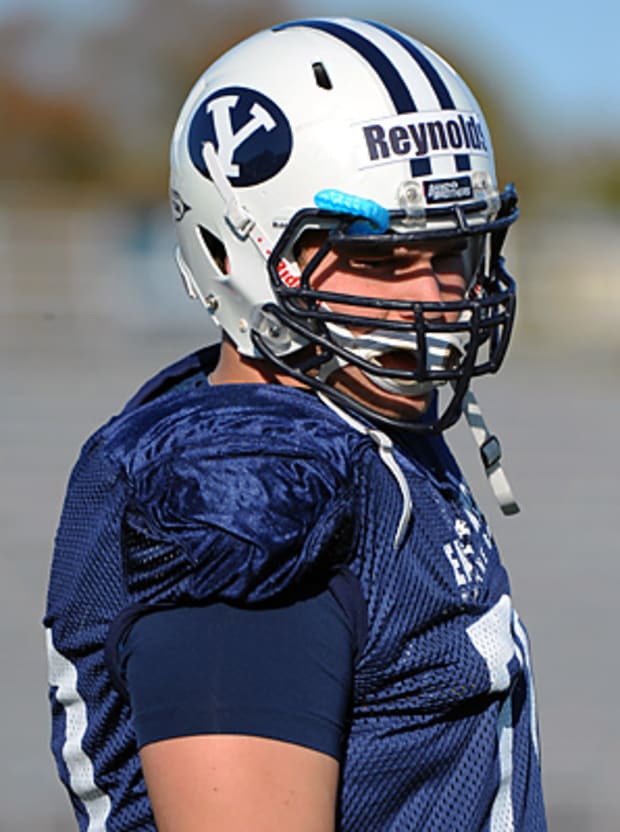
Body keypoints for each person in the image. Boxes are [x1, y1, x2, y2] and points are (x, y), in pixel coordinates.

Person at [45, 17, 547, 831]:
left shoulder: (361, 408)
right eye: (381, 259)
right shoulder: (244, 492)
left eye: (452, 247)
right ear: (233, 250)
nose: (438, 299)